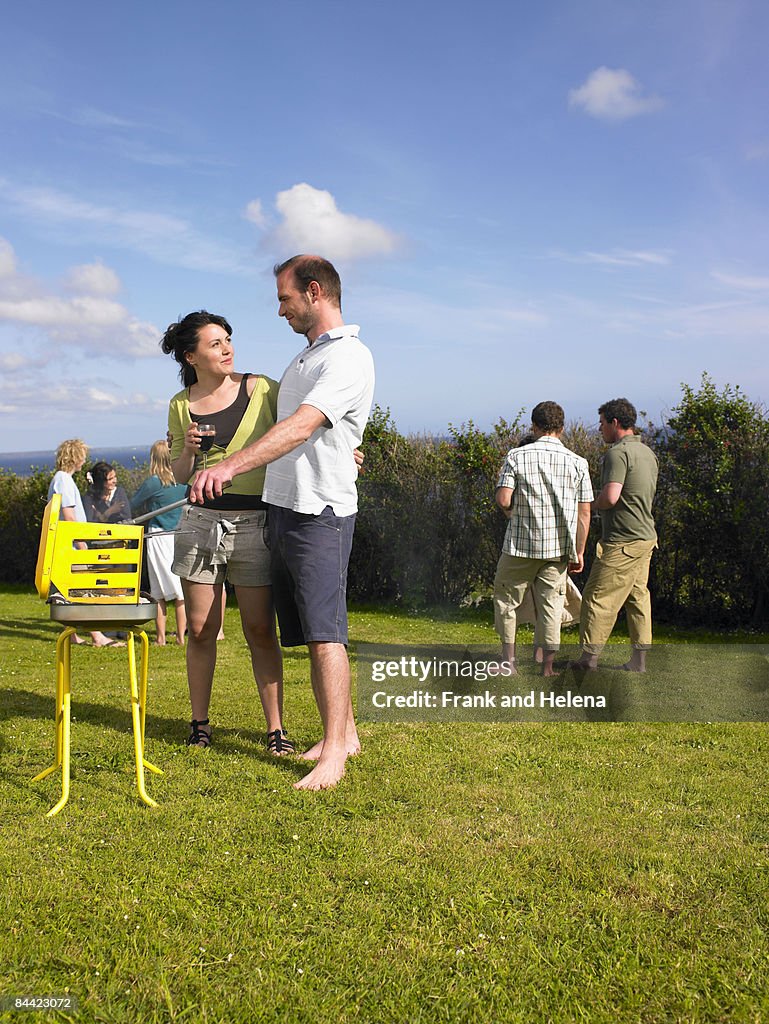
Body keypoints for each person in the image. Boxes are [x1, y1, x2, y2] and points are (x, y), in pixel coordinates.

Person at [190, 254, 375, 791]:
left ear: (314, 292)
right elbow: (314, 431)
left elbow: (301, 426)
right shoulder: (305, 359)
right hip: (286, 509)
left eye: (284, 299)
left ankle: (335, 753)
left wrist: (229, 466)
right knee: (307, 631)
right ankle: (345, 734)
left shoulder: (348, 357)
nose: (279, 311)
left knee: (326, 635)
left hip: (321, 512)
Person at [162, 310, 289, 752]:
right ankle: (200, 724)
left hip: (255, 521)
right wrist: (189, 450)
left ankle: (276, 730)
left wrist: (345, 451)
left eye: (228, 339)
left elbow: (297, 432)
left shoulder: (261, 388)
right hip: (200, 522)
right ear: (191, 355)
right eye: (215, 343)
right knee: (200, 629)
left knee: (259, 629)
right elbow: (180, 474)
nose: (227, 348)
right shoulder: (181, 404)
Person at [493, 402, 593, 676]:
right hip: (558, 548)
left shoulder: (516, 456)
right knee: (551, 606)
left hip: (519, 545)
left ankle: (508, 662)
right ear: (562, 428)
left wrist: (513, 513)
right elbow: (585, 513)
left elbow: (503, 498)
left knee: (506, 602)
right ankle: (547, 668)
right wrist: (579, 551)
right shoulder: (578, 463)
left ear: (534, 426)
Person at [572, 398, 658, 672]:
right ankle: (638, 661)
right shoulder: (647, 453)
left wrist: (586, 504)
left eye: (601, 423)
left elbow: (610, 497)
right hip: (646, 537)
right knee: (637, 598)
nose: (599, 429)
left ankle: (588, 660)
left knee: (597, 597)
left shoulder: (617, 454)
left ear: (615, 423)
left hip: (622, 541)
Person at [47, 439, 125, 648]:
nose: (84, 460)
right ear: (75, 457)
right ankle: (97, 636)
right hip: (70, 545)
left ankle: (72, 635)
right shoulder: (63, 480)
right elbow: (69, 517)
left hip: (64, 544)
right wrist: (81, 544)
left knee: (68, 592)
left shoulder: (61, 479)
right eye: (82, 455)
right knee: (83, 590)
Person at [130, 441, 188, 646]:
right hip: (179, 534)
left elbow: (132, 504)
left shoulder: (154, 483)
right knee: (181, 592)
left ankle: (161, 637)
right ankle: (181, 637)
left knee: (158, 591)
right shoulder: (182, 481)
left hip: (158, 537)